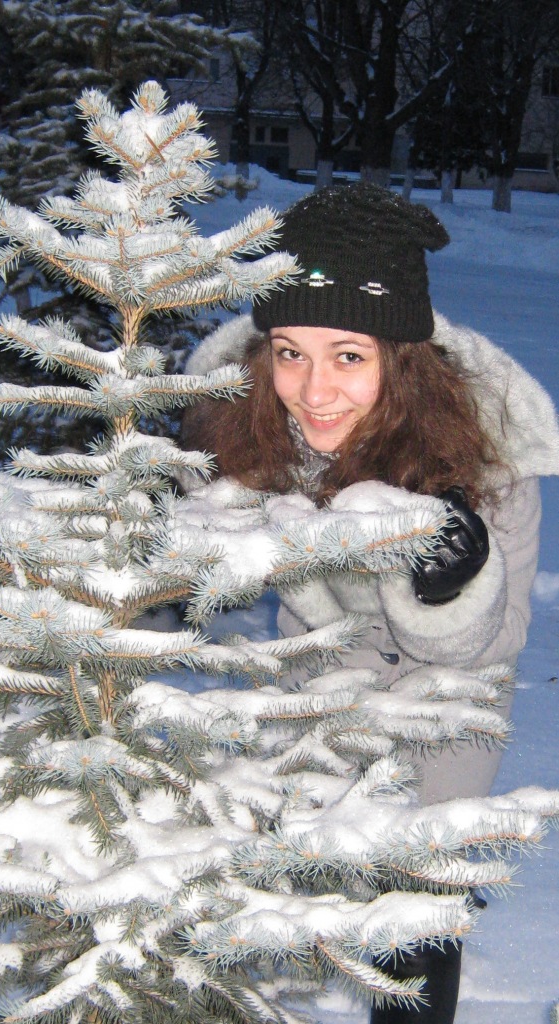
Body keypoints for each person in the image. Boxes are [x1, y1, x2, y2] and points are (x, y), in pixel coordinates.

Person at [181, 183, 559, 1023]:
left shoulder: (487, 454)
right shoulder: (257, 431)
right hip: (317, 681)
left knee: (416, 892)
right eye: (289, 353)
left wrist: (449, 586)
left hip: (447, 702)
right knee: (273, 879)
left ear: (400, 358)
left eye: (348, 356)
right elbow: (205, 554)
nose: (313, 390)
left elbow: (497, 640)